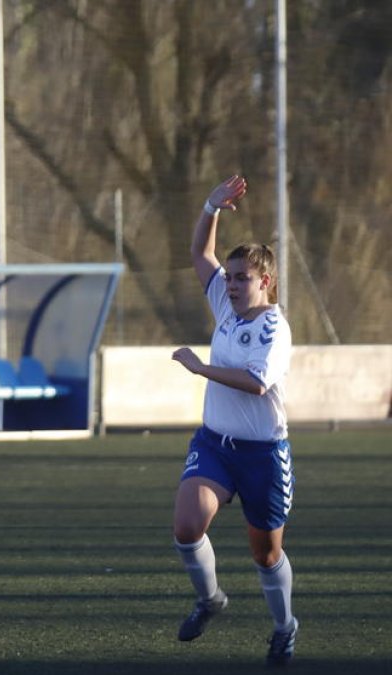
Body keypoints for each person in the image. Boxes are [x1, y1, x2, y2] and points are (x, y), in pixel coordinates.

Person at [170, 175, 298, 666]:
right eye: (230, 277)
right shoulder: (224, 303)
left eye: (242, 278)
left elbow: (256, 382)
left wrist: (201, 368)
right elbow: (200, 254)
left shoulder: (274, 328)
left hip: (264, 454)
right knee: (186, 525)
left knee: (265, 555)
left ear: (264, 281)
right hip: (216, 445)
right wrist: (210, 206)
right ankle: (209, 599)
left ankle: (285, 626)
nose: (231, 284)